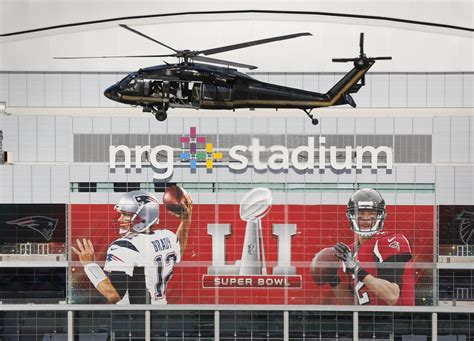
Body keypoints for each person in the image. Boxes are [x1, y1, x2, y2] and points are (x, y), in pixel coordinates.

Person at [72, 189, 192, 304]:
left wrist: (89, 265)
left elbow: (114, 295)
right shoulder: (166, 236)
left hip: (134, 317)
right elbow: (179, 250)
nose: (119, 219)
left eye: (125, 215)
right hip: (161, 312)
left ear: (143, 218)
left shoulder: (124, 246)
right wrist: (186, 220)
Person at [331, 188, 415, 306]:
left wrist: (356, 269)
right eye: (360, 213)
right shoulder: (350, 251)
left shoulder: (390, 241)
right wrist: (333, 280)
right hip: (367, 320)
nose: (366, 218)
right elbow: (352, 303)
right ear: (351, 216)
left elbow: (392, 296)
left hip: (395, 321)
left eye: (371, 214)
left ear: (381, 216)